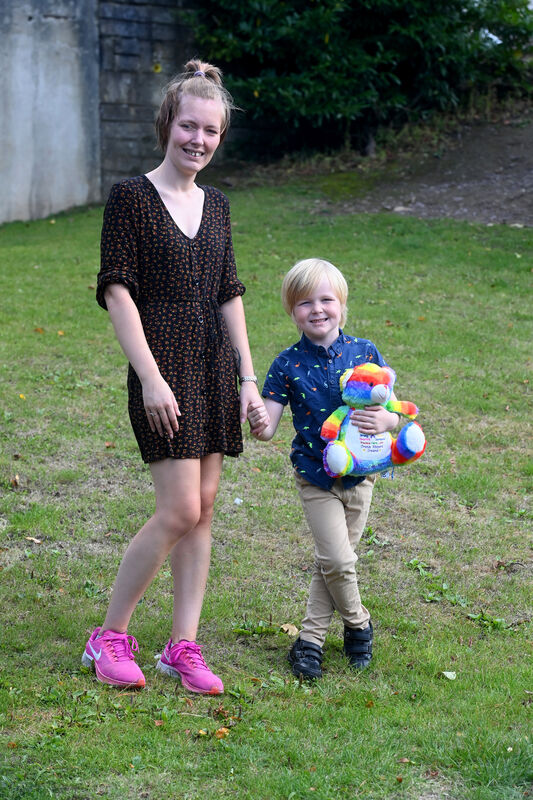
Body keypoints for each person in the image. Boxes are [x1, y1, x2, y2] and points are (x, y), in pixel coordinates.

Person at [82, 60, 268, 695]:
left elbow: (229, 294)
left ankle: (181, 647)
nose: (199, 140)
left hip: (214, 365)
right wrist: (152, 378)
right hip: (161, 366)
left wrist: (247, 377)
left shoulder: (217, 205)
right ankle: (108, 636)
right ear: (167, 124)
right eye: (189, 125)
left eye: (211, 131)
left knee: (205, 509)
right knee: (178, 507)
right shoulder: (131, 197)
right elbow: (116, 292)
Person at [248, 258, 401, 679]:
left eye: (326, 299)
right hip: (316, 477)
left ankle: (311, 640)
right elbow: (268, 428)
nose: (316, 309)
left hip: (362, 474)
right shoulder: (285, 365)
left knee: (334, 563)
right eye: (303, 302)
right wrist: (258, 419)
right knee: (337, 559)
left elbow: (392, 409)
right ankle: (358, 624)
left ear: (342, 305)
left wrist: (389, 422)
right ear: (291, 311)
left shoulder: (364, 351)